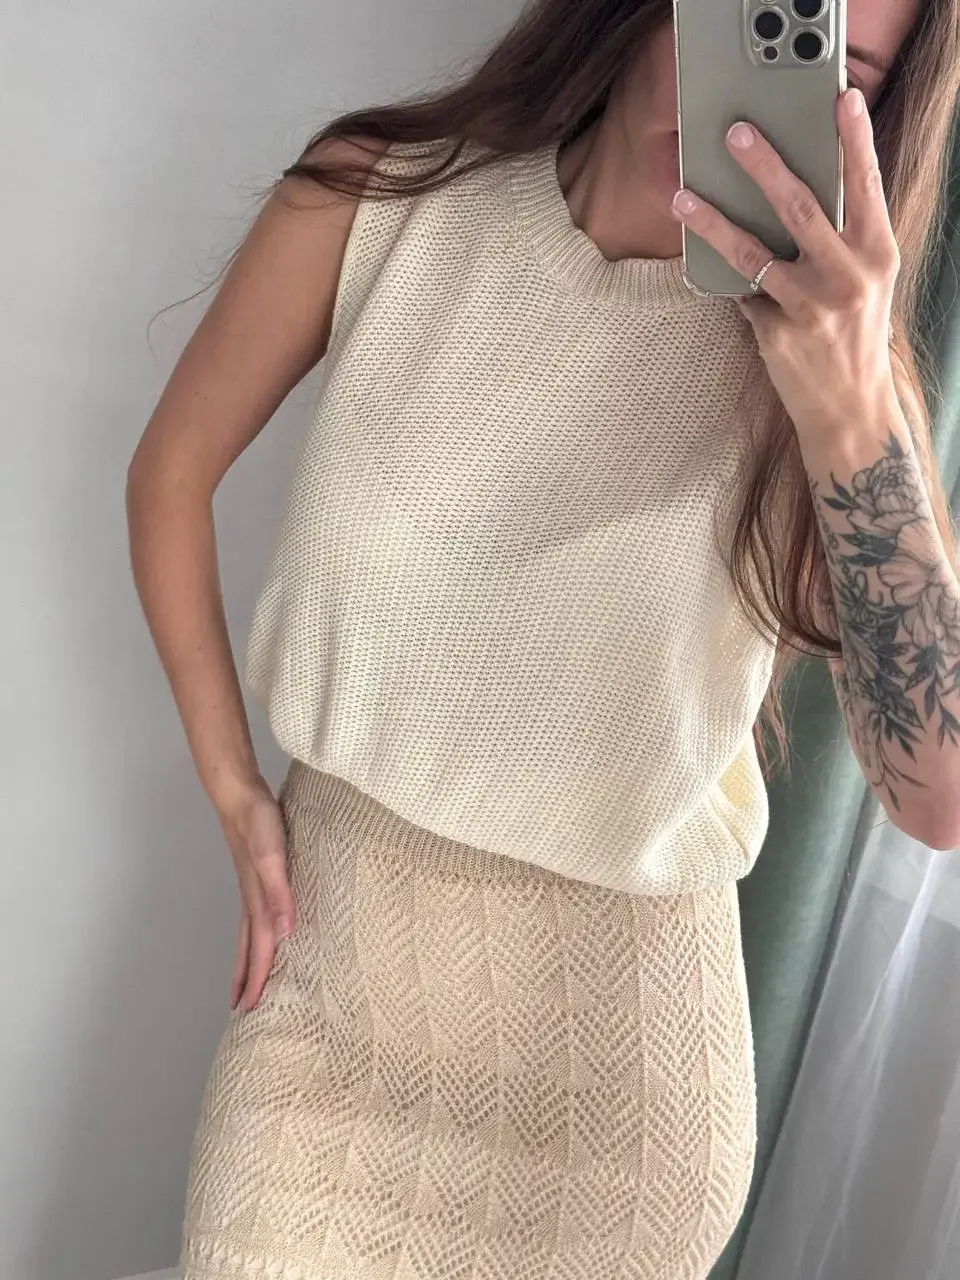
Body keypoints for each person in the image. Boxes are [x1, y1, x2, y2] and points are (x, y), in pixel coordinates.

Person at [126, 0, 960, 1276]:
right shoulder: (385, 197)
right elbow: (170, 473)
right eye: (762, 17)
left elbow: (937, 796)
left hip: (620, 1113)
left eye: (826, 68)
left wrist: (848, 407)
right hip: (325, 1019)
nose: (753, 89)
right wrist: (236, 790)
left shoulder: (831, 376)